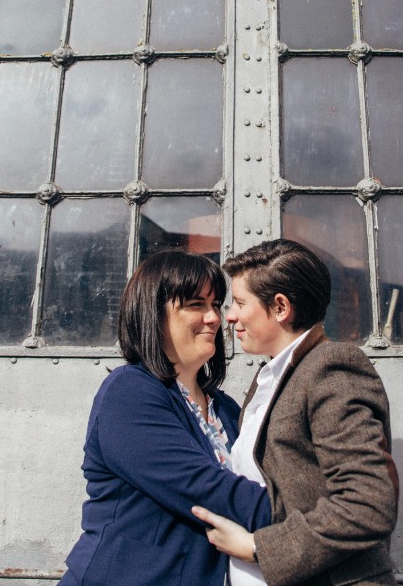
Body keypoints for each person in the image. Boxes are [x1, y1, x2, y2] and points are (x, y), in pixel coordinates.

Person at [193, 239, 399, 586]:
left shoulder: (330, 367)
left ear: (280, 307)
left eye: (241, 303)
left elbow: (368, 502)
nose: (229, 316)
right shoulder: (272, 377)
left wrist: (259, 548)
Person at [58, 251, 270, 586]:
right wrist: (315, 522)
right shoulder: (128, 393)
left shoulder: (226, 410)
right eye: (196, 304)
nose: (215, 318)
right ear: (153, 314)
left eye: (215, 304)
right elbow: (206, 490)